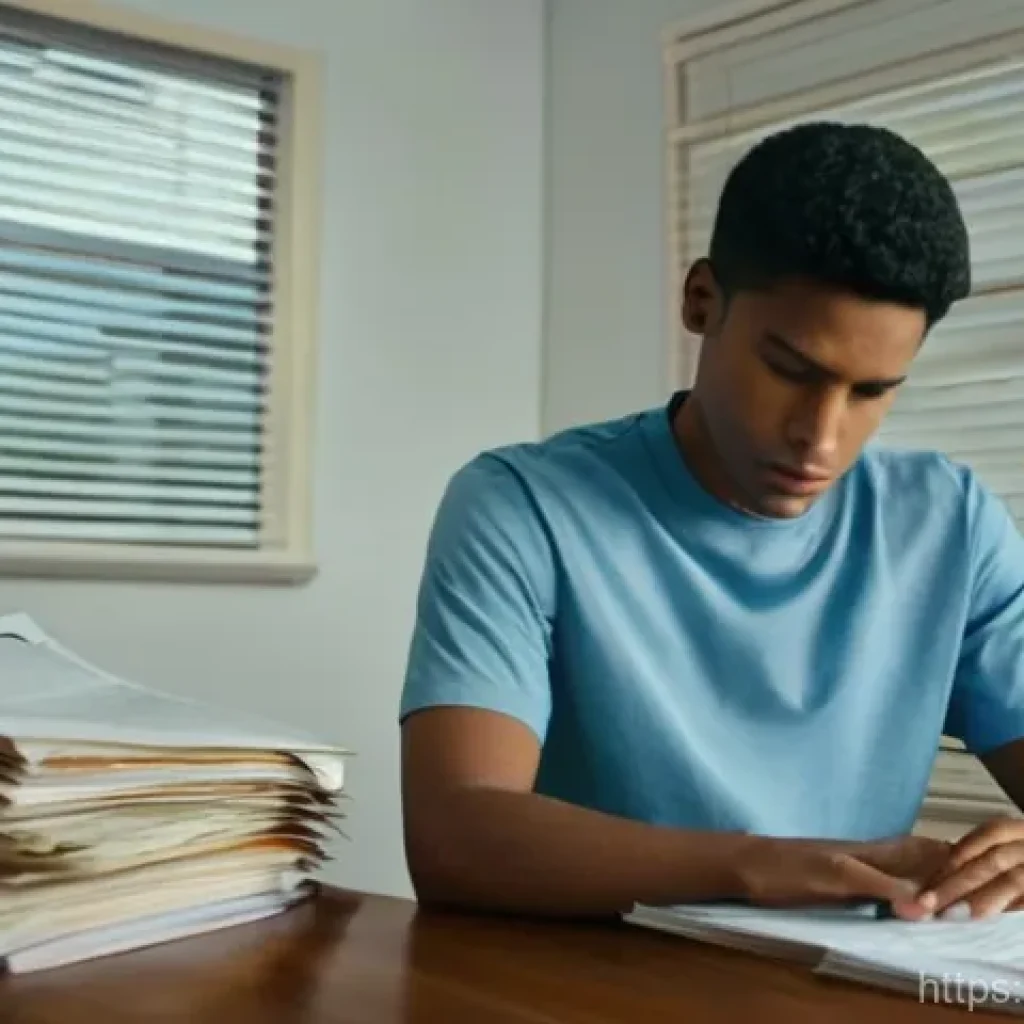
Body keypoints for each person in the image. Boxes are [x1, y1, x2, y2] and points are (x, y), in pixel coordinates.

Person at [398, 121, 1024, 925]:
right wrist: (769, 866)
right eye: (790, 370)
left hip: (846, 991)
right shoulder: (521, 505)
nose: (821, 438)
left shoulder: (951, 524)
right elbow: (458, 833)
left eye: (873, 391)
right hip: (587, 991)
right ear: (702, 301)